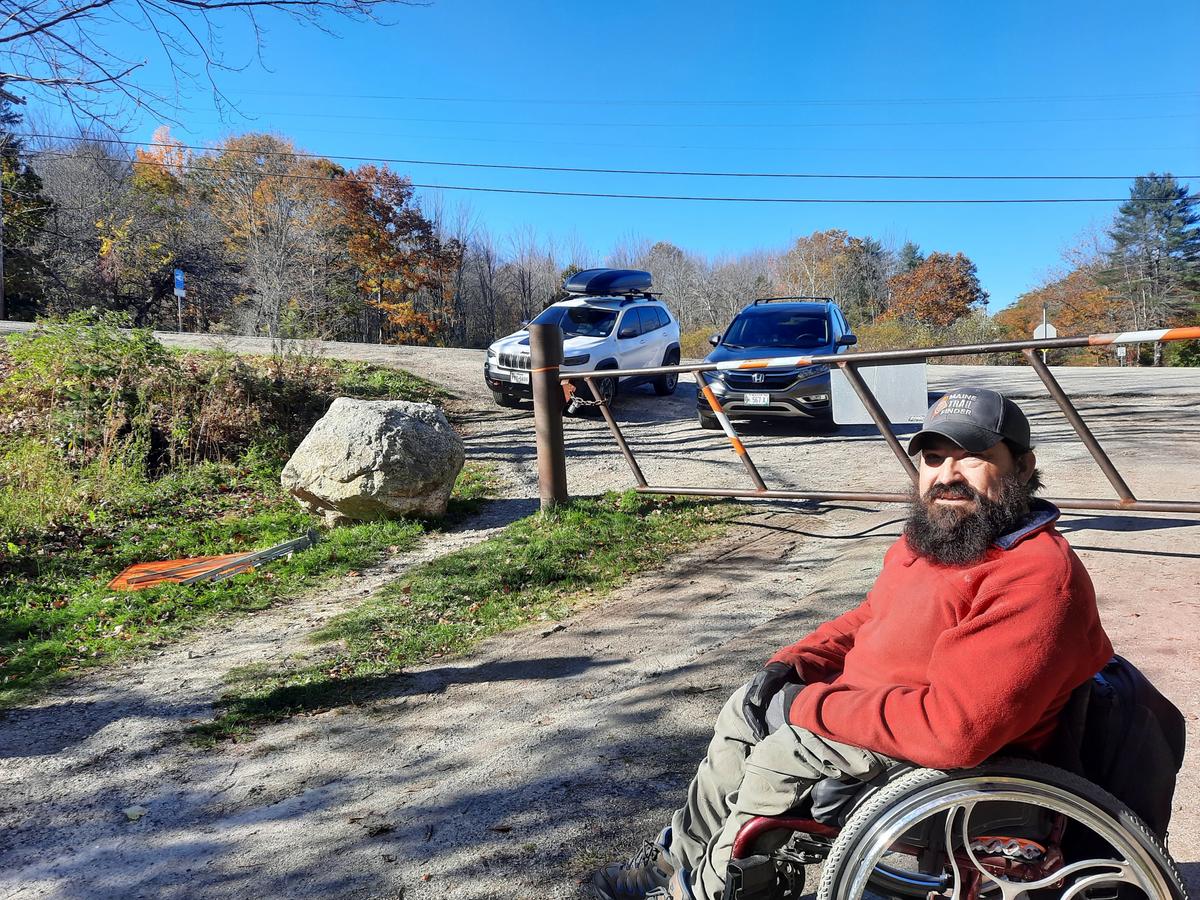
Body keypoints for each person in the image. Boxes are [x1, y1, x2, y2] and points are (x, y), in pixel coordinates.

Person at [585, 387, 1114, 900]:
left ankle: (711, 890)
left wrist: (810, 706)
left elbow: (956, 732)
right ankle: (680, 857)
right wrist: (794, 665)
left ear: (1022, 467)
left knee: (785, 750)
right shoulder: (937, 540)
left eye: (972, 458)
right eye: (933, 458)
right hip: (874, 713)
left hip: (950, 756)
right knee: (746, 707)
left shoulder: (1035, 576)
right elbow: (870, 616)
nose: (946, 475)